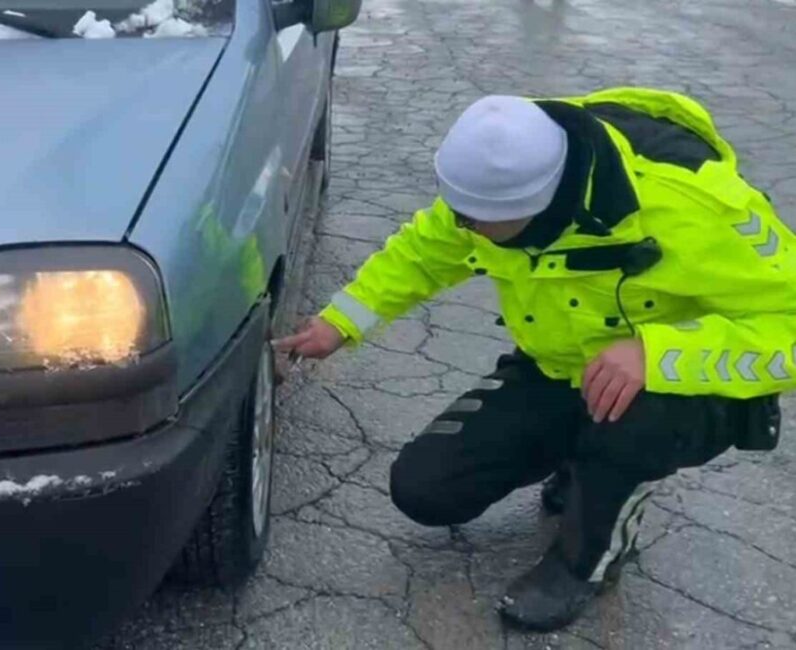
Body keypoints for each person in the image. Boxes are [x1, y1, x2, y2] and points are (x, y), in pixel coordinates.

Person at [274, 87, 791, 631]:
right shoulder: (499, 177)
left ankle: (586, 562)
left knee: (636, 427)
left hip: (667, 391)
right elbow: (423, 253)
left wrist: (657, 352)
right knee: (425, 489)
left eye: (475, 221)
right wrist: (341, 321)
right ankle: (582, 459)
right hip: (558, 368)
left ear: (535, 205)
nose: (463, 226)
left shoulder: (697, 210)